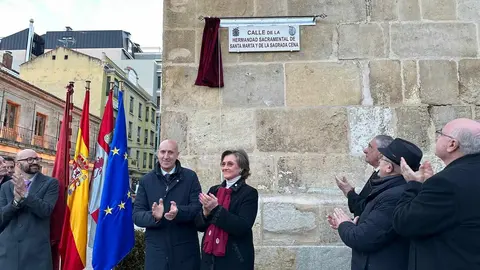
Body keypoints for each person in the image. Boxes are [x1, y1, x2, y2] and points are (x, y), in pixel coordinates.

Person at [393, 118, 480, 270]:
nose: (437, 137)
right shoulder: (448, 181)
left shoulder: (446, 183)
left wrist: (413, 184)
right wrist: (429, 186)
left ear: (452, 144)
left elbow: (404, 223)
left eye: (440, 134)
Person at [328, 138, 422, 270]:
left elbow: (363, 239)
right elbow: (377, 227)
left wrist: (344, 225)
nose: (379, 163)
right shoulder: (392, 189)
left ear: (389, 168)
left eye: (382, 159)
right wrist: (349, 224)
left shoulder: (395, 196)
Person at [133, 139, 202, 270]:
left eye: (170, 152)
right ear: (157, 153)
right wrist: (154, 217)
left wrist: (178, 212)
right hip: (157, 253)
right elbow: (136, 215)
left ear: (177, 155)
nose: (166, 156)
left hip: (185, 253)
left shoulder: (190, 177)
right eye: (163, 152)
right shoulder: (146, 180)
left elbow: (197, 208)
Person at [195, 149, 259, 270]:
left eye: (230, 164)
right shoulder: (214, 190)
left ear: (242, 168)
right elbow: (199, 226)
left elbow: (242, 226)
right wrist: (205, 213)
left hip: (235, 258)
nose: (225, 167)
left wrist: (216, 209)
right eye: (223, 164)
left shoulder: (249, 193)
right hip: (209, 259)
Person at [0, 149, 59, 270]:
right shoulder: (6, 186)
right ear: (18, 164)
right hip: (8, 254)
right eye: (29, 159)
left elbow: (46, 210)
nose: (35, 162)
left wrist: (26, 195)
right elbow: (2, 218)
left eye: (37, 159)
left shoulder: (51, 183)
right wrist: (15, 202)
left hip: (36, 254)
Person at [335, 135, 393, 216]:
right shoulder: (377, 173)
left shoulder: (384, 177)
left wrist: (349, 192)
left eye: (370, 147)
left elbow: (365, 209)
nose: (365, 150)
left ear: (380, 153)